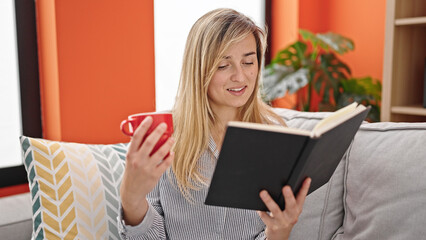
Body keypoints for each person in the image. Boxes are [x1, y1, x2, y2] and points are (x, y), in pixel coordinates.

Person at [118, 8, 311, 240]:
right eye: (223, 65)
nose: (240, 76)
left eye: (248, 61)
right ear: (199, 70)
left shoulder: (276, 136)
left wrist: (279, 231)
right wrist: (132, 200)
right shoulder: (165, 135)